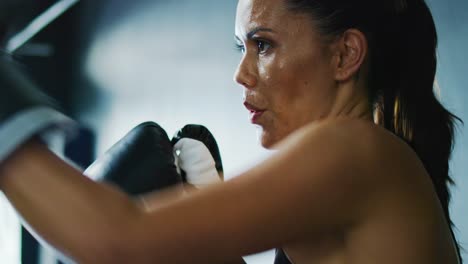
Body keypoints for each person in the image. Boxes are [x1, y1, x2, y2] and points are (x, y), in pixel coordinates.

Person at [0, 0, 464, 263]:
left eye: (263, 45)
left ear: (345, 55)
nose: (241, 73)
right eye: (242, 47)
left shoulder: (355, 151)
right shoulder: (360, 167)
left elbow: (114, 238)